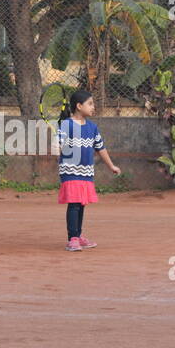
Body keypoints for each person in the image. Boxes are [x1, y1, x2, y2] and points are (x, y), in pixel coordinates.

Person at [57, 89, 120, 251]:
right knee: (74, 204)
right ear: (79, 106)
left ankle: (78, 235)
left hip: (86, 172)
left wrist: (111, 166)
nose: (94, 107)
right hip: (70, 171)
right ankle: (72, 239)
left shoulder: (92, 127)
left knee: (81, 204)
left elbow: (101, 148)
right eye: (90, 104)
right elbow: (56, 145)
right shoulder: (66, 125)